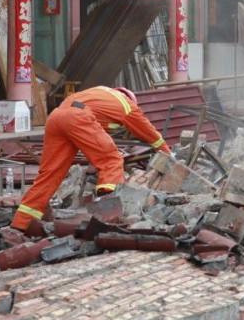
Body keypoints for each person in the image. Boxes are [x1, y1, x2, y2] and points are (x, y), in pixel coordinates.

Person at [11, 86, 171, 231]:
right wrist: (169, 154)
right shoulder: (127, 105)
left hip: (55, 118)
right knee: (112, 160)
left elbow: (90, 138)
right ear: (129, 98)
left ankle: (21, 224)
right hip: (77, 117)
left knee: (49, 175)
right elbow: (151, 134)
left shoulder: (100, 93)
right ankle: (107, 215)